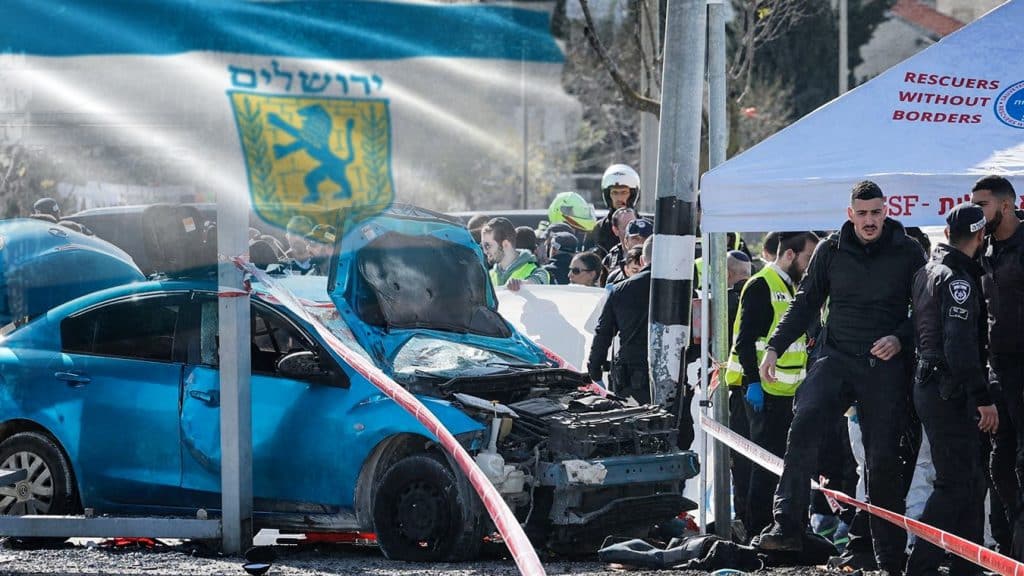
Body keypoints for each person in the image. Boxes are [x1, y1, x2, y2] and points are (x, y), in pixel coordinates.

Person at [754, 181, 926, 576]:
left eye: (876, 213)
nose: (869, 221)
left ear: (886, 211)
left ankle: (885, 556)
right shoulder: (831, 249)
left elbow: (925, 309)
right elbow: (806, 301)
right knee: (805, 423)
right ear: (851, 214)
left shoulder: (908, 251)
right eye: (862, 214)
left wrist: (900, 339)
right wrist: (775, 347)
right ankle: (787, 524)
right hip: (835, 356)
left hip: (883, 365)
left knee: (882, 459)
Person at [906, 202, 997, 576]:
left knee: (972, 479)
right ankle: (922, 565)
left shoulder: (926, 271)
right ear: (980, 236)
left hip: (931, 385)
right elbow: (959, 347)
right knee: (954, 483)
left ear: (946, 234)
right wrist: (982, 398)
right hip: (949, 389)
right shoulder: (957, 280)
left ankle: (967, 563)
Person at [725, 232, 819, 538]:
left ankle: (780, 528)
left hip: (787, 392)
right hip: (758, 392)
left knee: (779, 464)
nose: (810, 265)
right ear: (790, 255)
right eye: (807, 258)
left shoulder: (795, 287)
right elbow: (745, 340)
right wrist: (753, 382)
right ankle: (757, 530)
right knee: (760, 467)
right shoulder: (761, 284)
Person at [971, 175, 1024, 557]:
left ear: (1006, 206)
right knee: (1000, 464)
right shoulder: (983, 248)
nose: (976, 213)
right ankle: (1010, 541)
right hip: (998, 371)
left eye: (982, 205)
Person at [588, 236, 654, 404]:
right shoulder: (684, 289)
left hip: (631, 374)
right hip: (674, 371)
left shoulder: (621, 290)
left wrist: (594, 370)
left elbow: (603, 333)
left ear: (642, 259)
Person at [481, 217, 549, 290]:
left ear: (505, 244)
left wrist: (522, 284)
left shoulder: (537, 272)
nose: (485, 251)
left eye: (487, 245)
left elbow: (540, 280)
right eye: (483, 246)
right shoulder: (489, 276)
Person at [593, 164, 641, 256]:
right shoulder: (598, 229)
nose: (619, 198)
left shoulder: (646, 227)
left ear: (632, 195)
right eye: (614, 193)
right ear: (608, 196)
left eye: (624, 192)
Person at [602, 207, 638, 277]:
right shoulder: (610, 259)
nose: (632, 231)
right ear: (616, 230)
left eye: (635, 225)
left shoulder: (649, 255)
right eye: (626, 227)